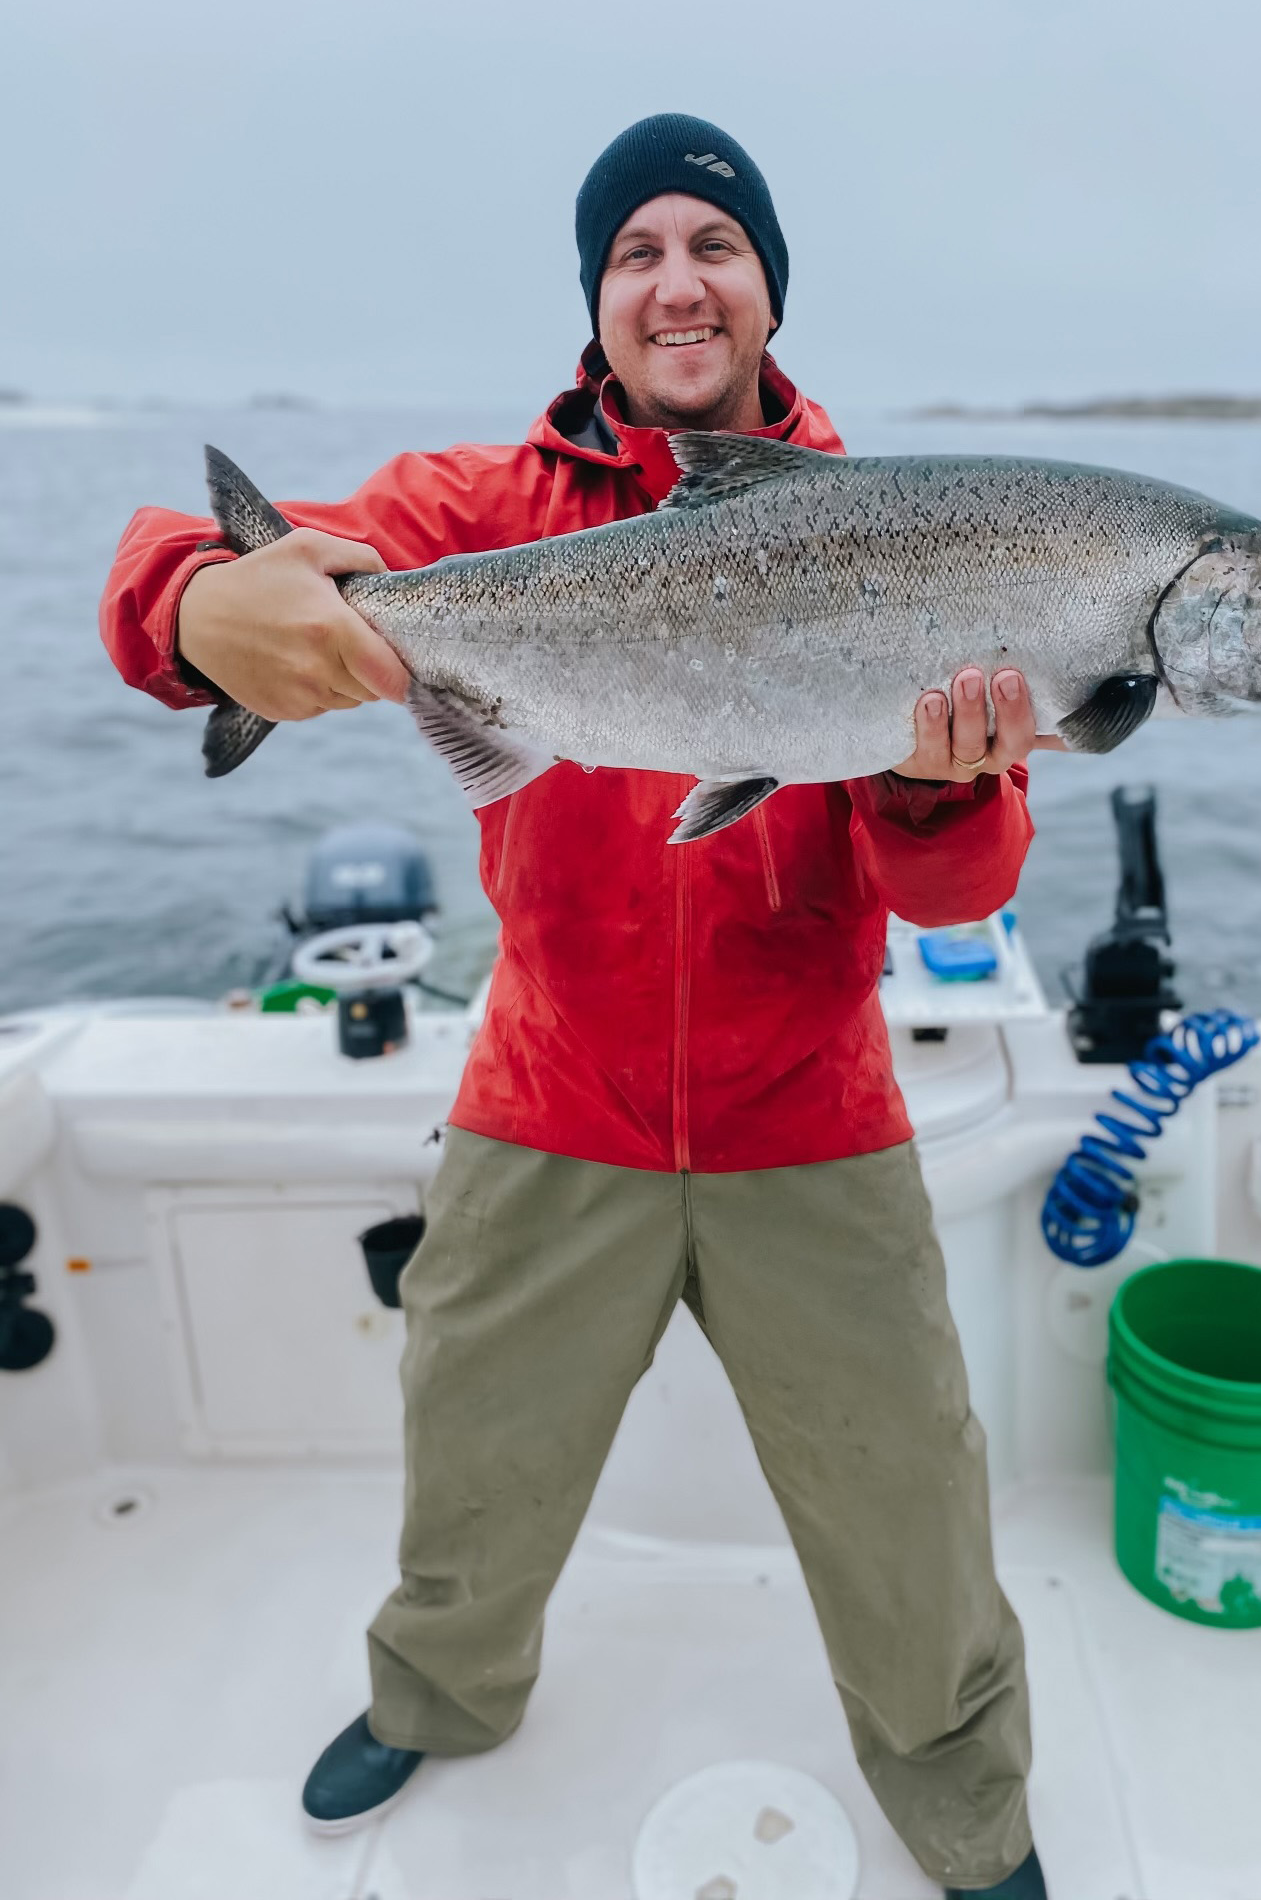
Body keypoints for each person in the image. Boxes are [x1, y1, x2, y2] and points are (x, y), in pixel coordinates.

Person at [100, 113, 1052, 1899]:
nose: (677, 280)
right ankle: (439, 1695)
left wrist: (936, 782)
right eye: (637, 253)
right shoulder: (482, 515)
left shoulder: (912, 531)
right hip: (549, 1091)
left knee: (910, 1501)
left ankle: (963, 1801)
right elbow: (183, 581)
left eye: (715, 245)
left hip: (807, 1108)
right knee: (476, 1457)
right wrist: (201, 596)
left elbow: (957, 895)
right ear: (598, 304)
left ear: (770, 289)